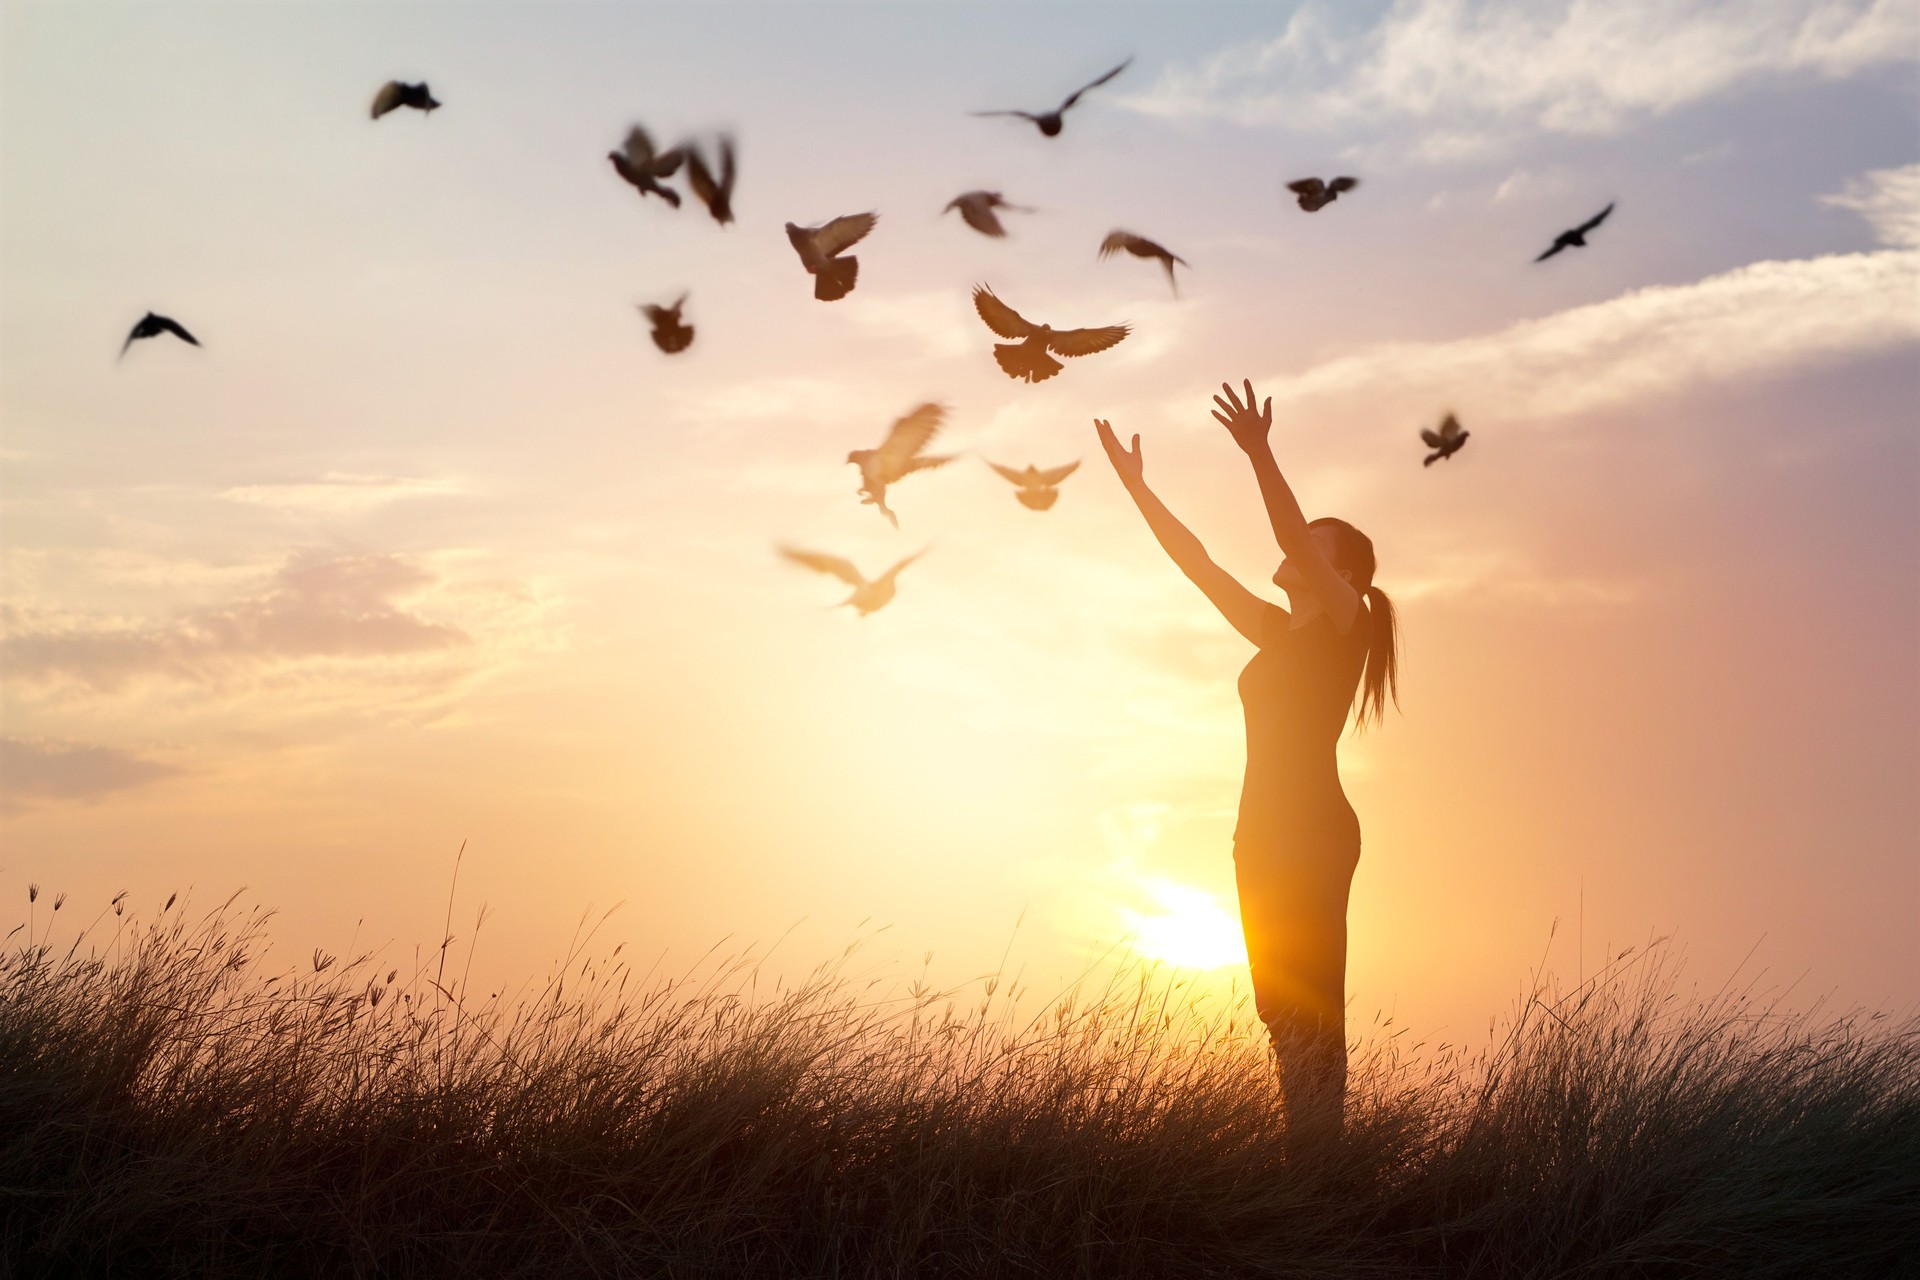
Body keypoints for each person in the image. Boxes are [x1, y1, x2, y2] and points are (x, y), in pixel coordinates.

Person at [1095, 380, 1399, 1145]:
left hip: (1313, 833)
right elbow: (1197, 565)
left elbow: (1292, 536)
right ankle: (1308, 1157)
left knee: (1313, 1005)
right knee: (1278, 1010)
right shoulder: (1278, 634)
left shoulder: (1346, 624)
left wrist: (1259, 452)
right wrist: (1139, 489)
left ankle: (1322, 1172)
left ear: (1347, 575)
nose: (1295, 545)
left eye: (1316, 541)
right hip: (1257, 835)